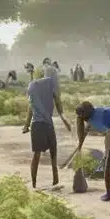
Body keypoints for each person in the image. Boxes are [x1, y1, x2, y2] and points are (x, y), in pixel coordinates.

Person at [21, 59, 71, 189]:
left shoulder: (33, 86)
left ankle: (34, 184)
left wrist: (26, 125)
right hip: (47, 124)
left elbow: (30, 108)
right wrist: (66, 122)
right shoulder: (51, 85)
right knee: (53, 153)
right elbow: (60, 108)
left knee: (36, 155)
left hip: (37, 125)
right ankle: (55, 180)